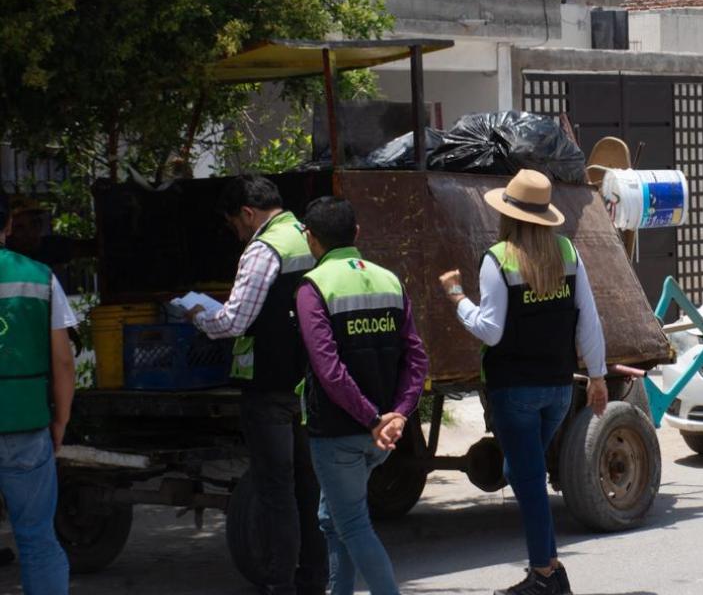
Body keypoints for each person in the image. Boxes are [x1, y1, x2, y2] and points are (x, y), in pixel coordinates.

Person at [438, 170, 608, 595]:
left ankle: (545, 575)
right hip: (557, 388)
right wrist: (598, 376)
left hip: (514, 389)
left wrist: (458, 298)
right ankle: (550, 569)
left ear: (508, 215)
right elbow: (588, 317)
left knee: (529, 480)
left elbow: (491, 331)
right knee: (521, 471)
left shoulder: (499, 258)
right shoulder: (566, 252)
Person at [191, 175, 327, 595]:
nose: (237, 233)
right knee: (309, 488)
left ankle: (278, 582)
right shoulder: (310, 237)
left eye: (234, 224)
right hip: (311, 383)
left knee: (276, 490)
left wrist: (195, 314)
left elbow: (234, 320)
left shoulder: (263, 249)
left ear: (248, 214)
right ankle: (314, 579)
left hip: (269, 386)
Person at [295, 197, 428, 595]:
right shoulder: (390, 280)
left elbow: (328, 369)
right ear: (356, 233)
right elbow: (416, 357)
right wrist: (399, 415)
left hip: (341, 435)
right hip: (382, 436)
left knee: (351, 524)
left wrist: (373, 420)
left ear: (310, 238)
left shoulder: (312, 287)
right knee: (332, 519)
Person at [0, 191, 75, 594]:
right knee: (36, 540)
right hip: (25, 425)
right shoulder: (39, 277)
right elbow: (64, 362)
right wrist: (60, 419)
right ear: (8, 226)